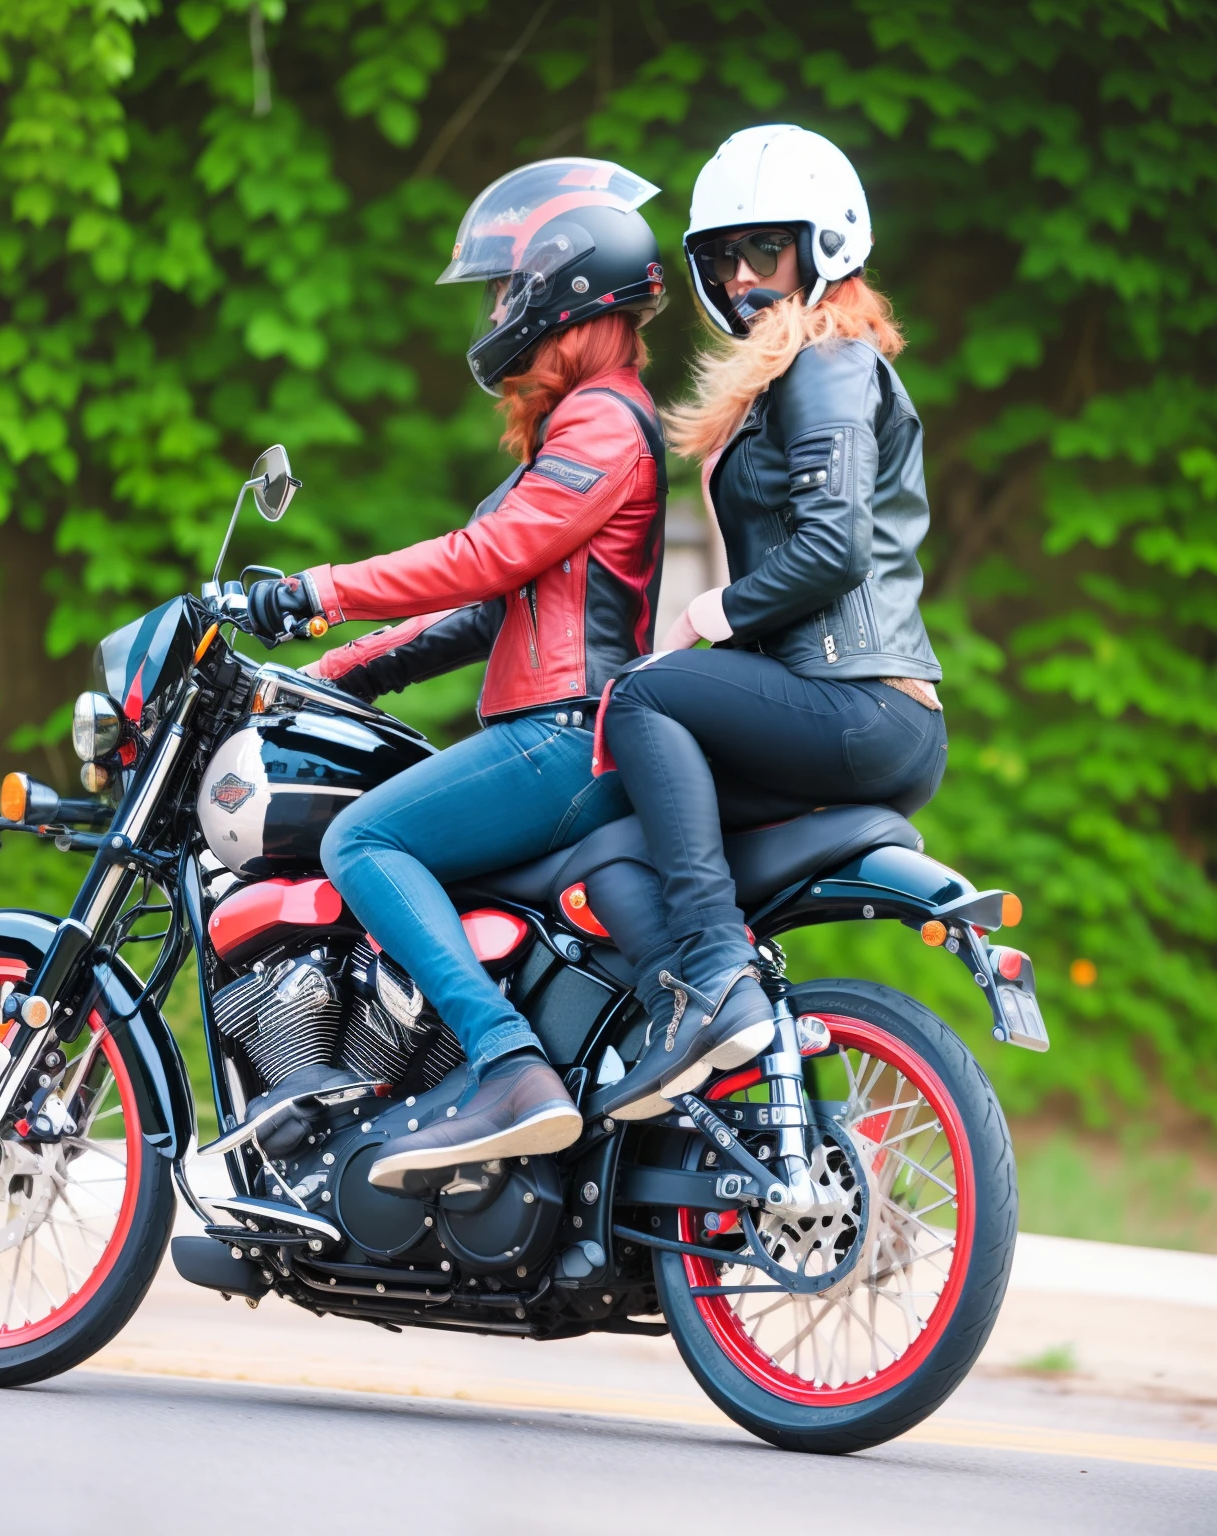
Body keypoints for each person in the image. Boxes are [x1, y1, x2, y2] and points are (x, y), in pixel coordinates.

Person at [243, 158, 740, 1187]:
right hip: (557, 730)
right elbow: (489, 612)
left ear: (566, 289)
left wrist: (318, 589)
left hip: (560, 735)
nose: (502, 310)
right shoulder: (588, 420)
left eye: (512, 287)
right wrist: (342, 672)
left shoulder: (603, 420)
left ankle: (508, 1065)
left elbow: (490, 559)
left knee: (362, 837)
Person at [587, 124, 948, 1122]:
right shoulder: (789, 372)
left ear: (825, 245)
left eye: (765, 251)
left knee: (645, 699)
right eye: (721, 258)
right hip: (830, 702)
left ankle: (711, 980)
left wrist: (715, 613)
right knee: (624, 816)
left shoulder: (830, 361)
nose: (743, 277)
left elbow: (832, 548)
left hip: (858, 701)